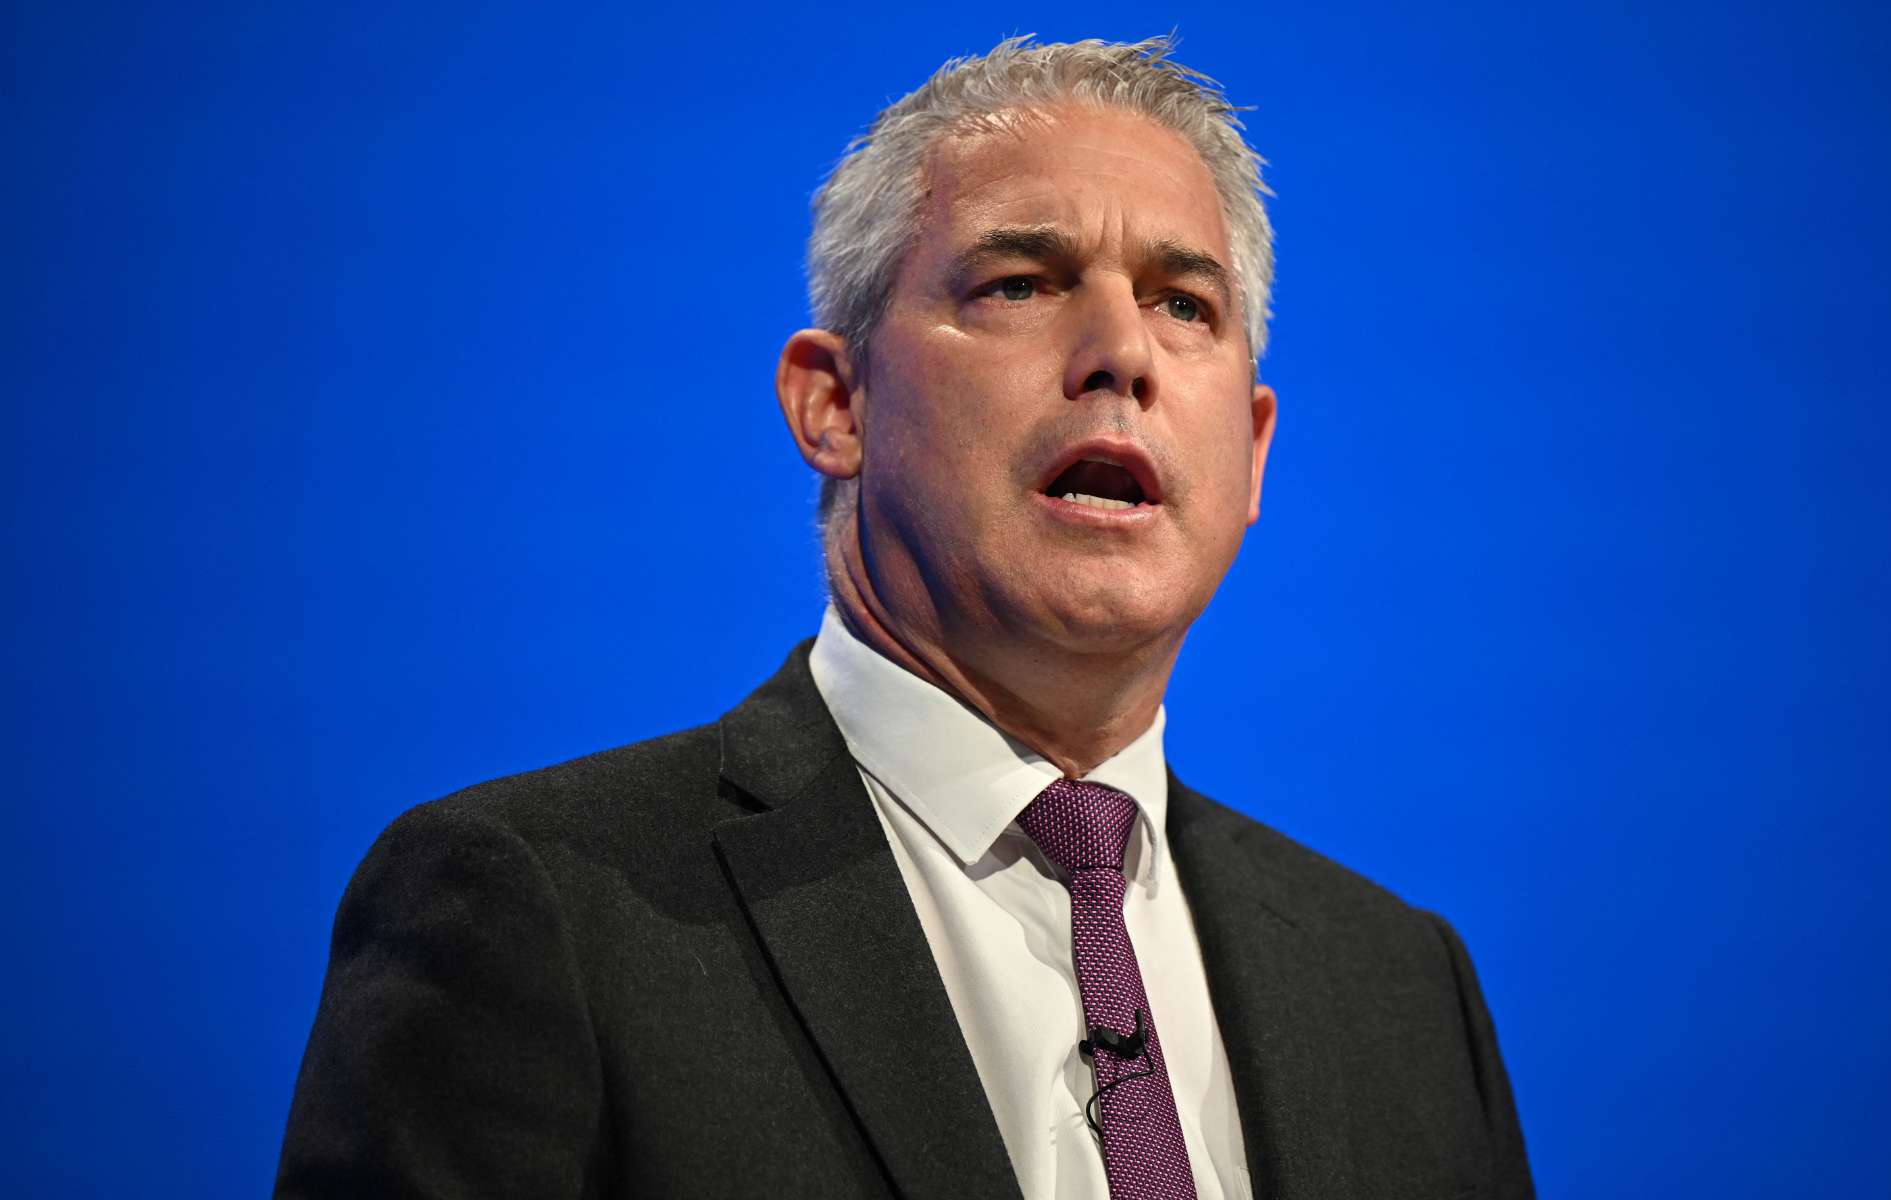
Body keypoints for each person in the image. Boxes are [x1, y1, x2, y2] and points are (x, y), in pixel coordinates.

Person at [276, 36, 1533, 1200]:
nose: (1119, 353)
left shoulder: (1401, 990)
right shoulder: (538, 910)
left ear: (1251, 454)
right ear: (836, 405)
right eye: (1020, 284)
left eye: (1182, 304)